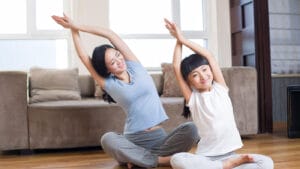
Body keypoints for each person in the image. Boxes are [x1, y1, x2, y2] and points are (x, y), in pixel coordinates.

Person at [51, 14, 199, 169]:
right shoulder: (108, 83)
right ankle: (160, 160)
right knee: (108, 139)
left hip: (160, 139)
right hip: (134, 140)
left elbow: (110, 34)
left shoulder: (134, 65)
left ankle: (140, 159)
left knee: (191, 129)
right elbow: (83, 57)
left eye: (117, 55)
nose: (119, 61)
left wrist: (76, 25)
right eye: (112, 63)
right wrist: (73, 31)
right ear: (107, 70)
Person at [164, 18, 274, 169]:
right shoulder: (194, 99)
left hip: (231, 155)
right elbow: (176, 66)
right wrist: (178, 41)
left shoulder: (220, 88)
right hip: (206, 158)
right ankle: (224, 166)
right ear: (189, 82)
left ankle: (224, 166)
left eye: (204, 70)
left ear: (210, 69)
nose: (203, 76)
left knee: (267, 163)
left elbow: (209, 56)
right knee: (177, 160)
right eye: (195, 75)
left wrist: (183, 38)